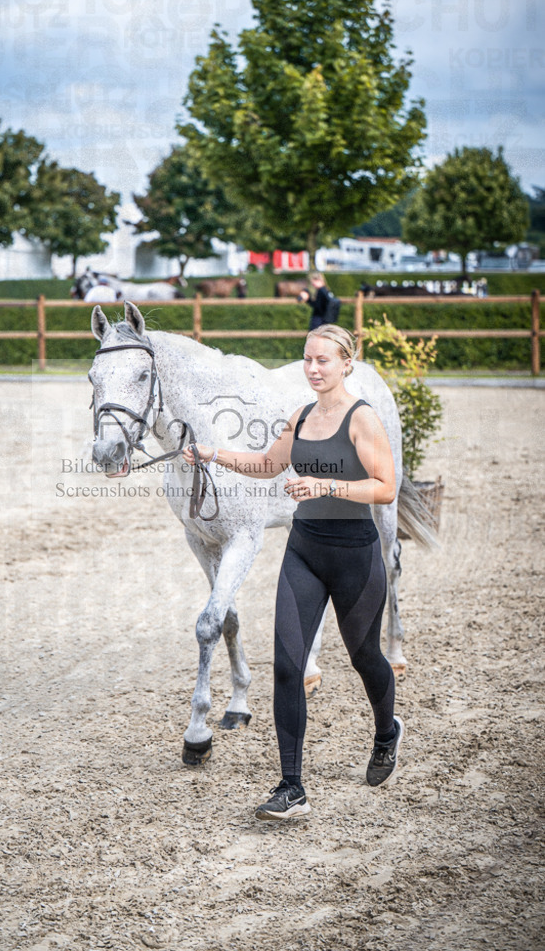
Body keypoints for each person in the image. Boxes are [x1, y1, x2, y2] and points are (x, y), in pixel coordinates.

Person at [182, 325, 403, 821]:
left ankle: (387, 732)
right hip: (304, 554)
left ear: (346, 363)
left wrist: (326, 486)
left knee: (364, 657)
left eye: (323, 360)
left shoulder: (362, 419)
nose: (313, 369)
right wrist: (212, 453)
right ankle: (291, 787)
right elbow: (266, 465)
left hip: (354, 557)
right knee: (287, 665)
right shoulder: (300, 417)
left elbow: (385, 488)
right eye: (307, 359)